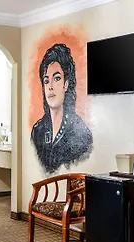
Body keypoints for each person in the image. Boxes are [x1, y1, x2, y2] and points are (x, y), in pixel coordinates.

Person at [31, 43, 93, 175]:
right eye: (46, 81)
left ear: (66, 84)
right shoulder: (37, 131)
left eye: (57, 78)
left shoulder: (82, 134)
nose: (50, 86)